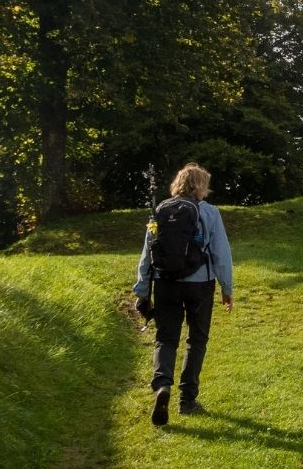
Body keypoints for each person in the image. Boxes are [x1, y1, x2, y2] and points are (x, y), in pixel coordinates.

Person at [133, 163, 234, 426]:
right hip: (200, 284)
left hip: (165, 282)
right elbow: (221, 254)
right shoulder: (210, 213)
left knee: (166, 339)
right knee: (196, 340)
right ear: (201, 186)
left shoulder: (160, 211)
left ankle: (162, 386)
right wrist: (227, 288)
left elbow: (148, 252)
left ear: (177, 184)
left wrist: (143, 290)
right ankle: (187, 400)